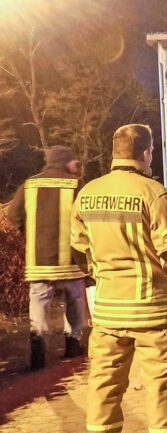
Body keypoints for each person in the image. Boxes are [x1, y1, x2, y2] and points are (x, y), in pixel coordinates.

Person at [70, 124, 167, 433]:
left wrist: (106, 278)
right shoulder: (153, 194)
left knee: (104, 383)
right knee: (163, 385)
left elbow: (81, 252)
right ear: (146, 152)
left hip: (109, 313)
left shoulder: (87, 194)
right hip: (152, 314)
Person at [6, 145, 87, 369]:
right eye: (73, 161)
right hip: (70, 261)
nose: (76, 165)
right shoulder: (76, 185)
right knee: (75, 301)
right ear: (64, 162)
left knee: (39, 303)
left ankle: (38, 349)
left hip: (39, 259)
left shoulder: (29, 185)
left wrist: (29, 233)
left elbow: (13, 216)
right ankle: (73, 344)